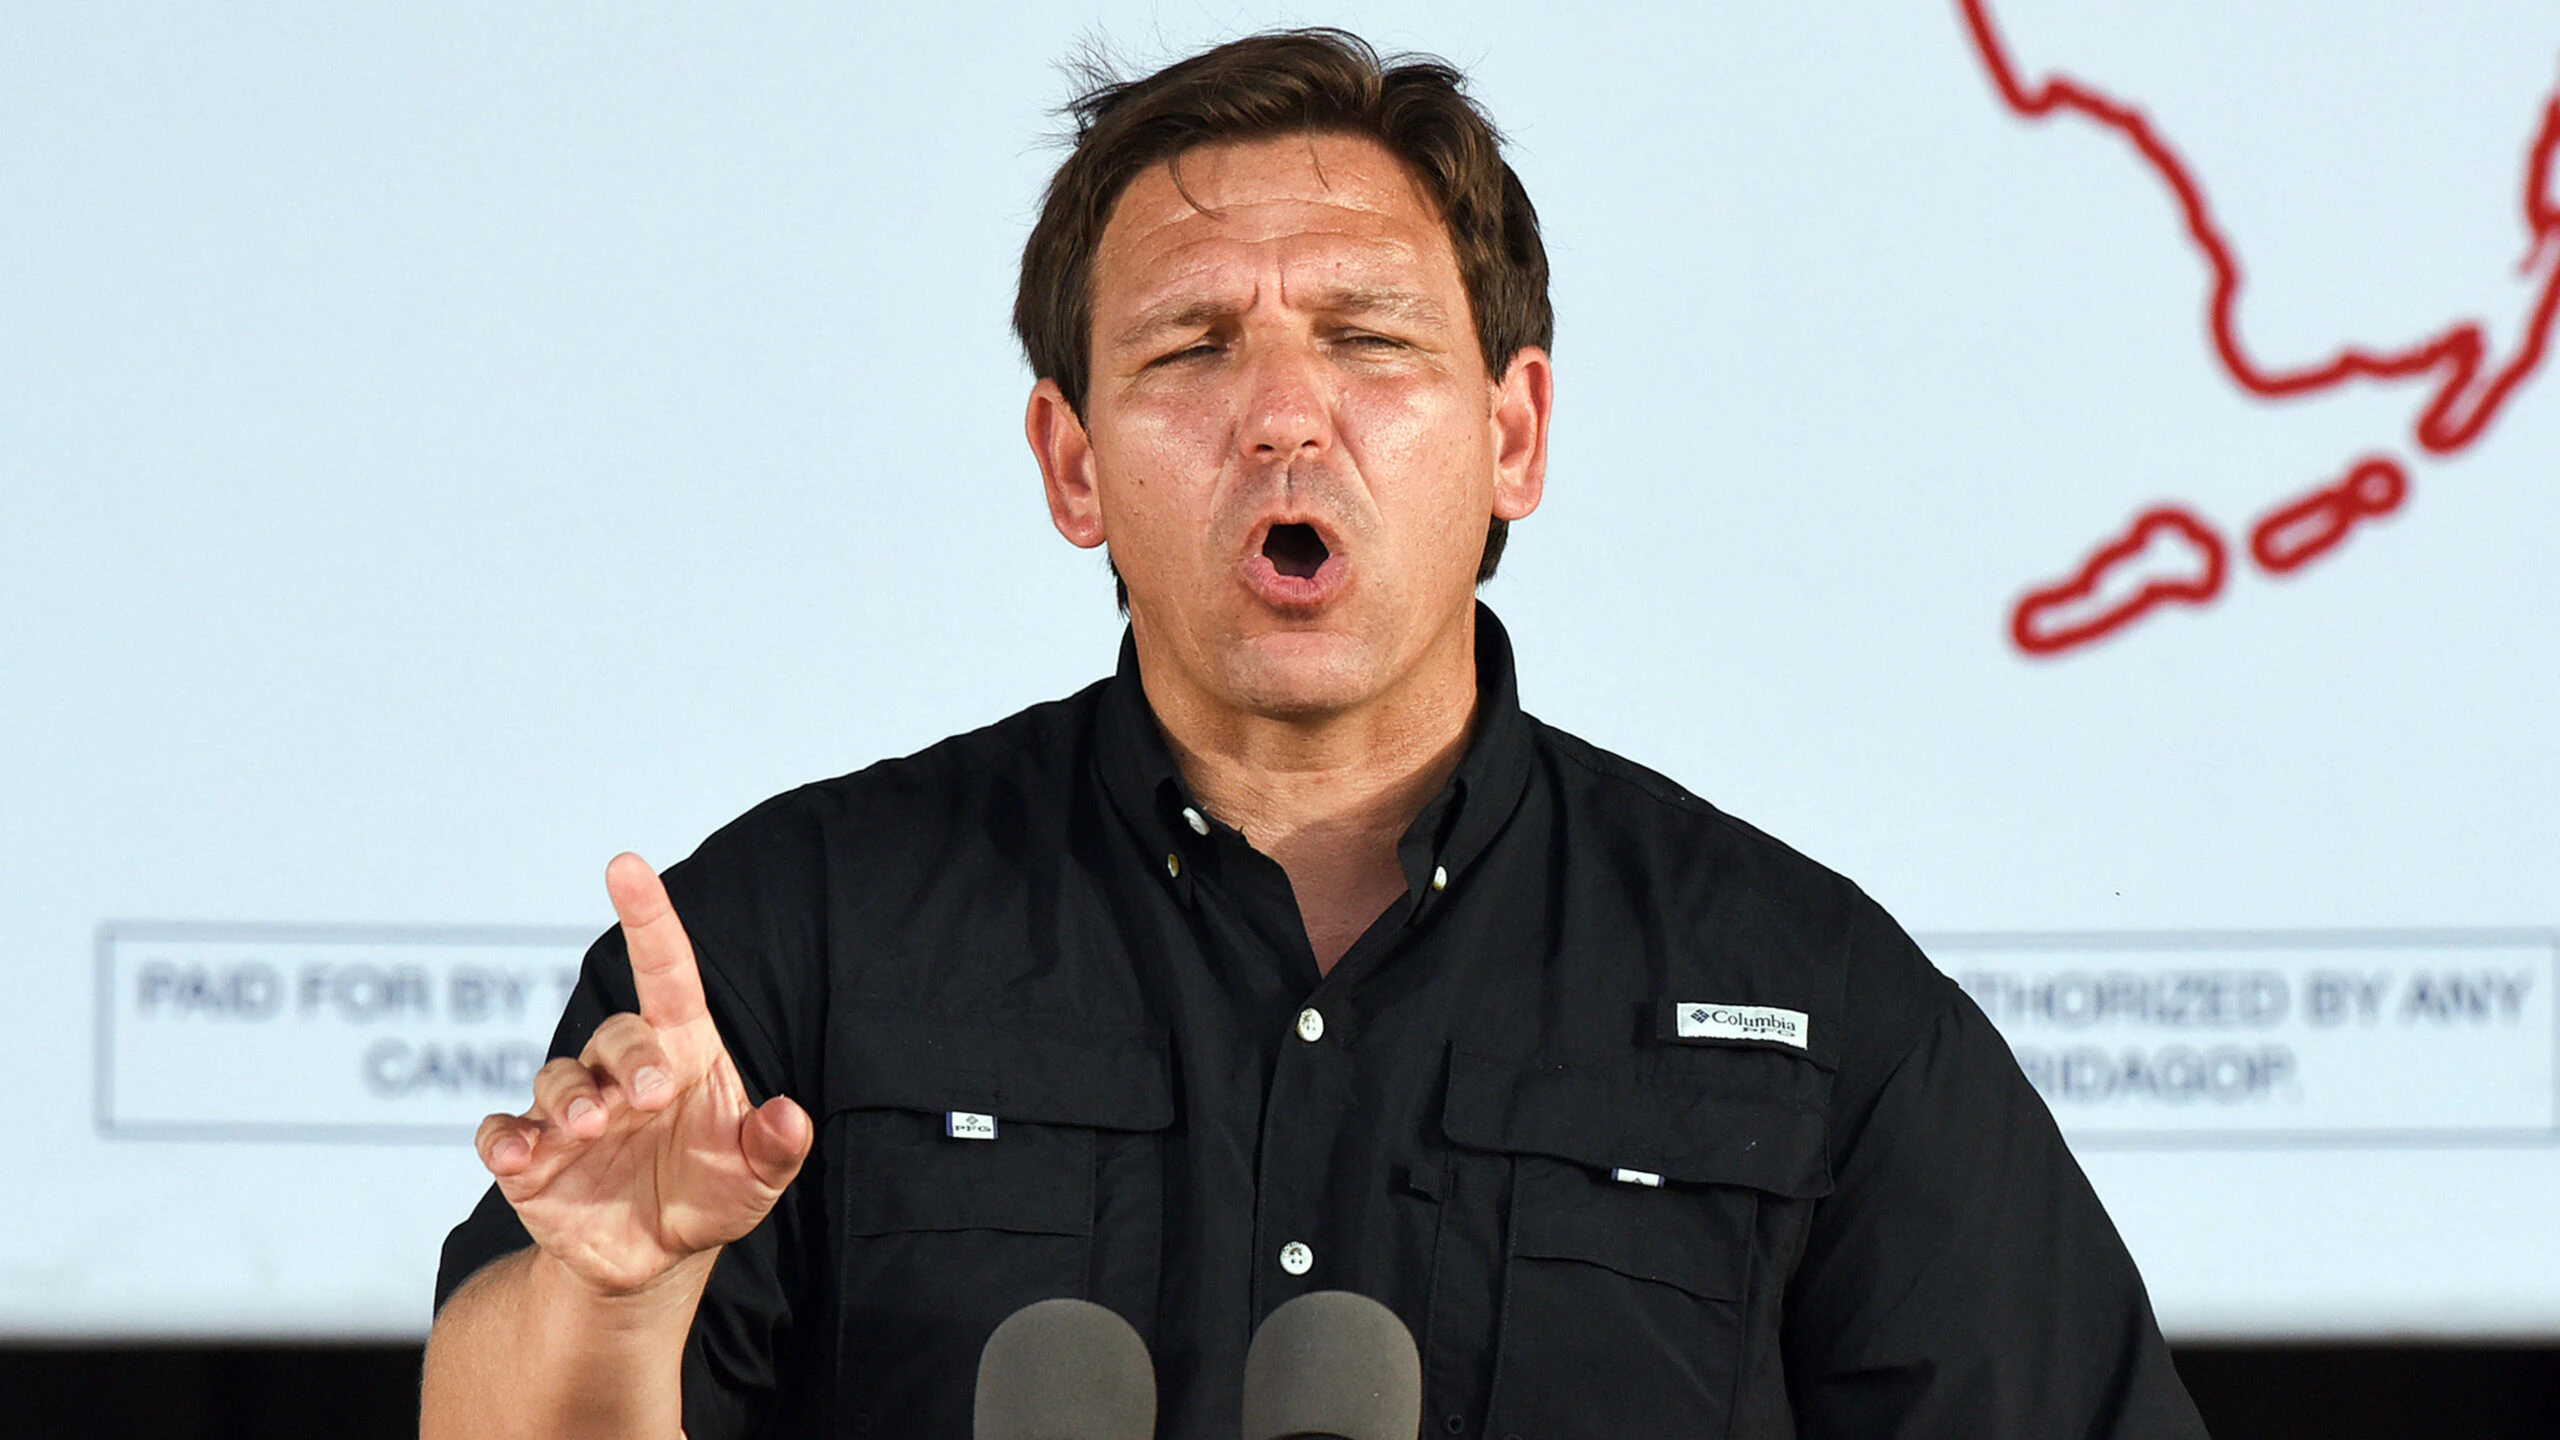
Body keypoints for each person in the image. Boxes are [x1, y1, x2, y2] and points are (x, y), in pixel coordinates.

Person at [420, 28, 2209, 1440]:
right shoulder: (788, 948)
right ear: (1073, 463)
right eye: (1192, 349)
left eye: (1368, 340)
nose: (1288, 416)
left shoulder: (1807, 998)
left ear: (1514, 433)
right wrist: (610, 1298)